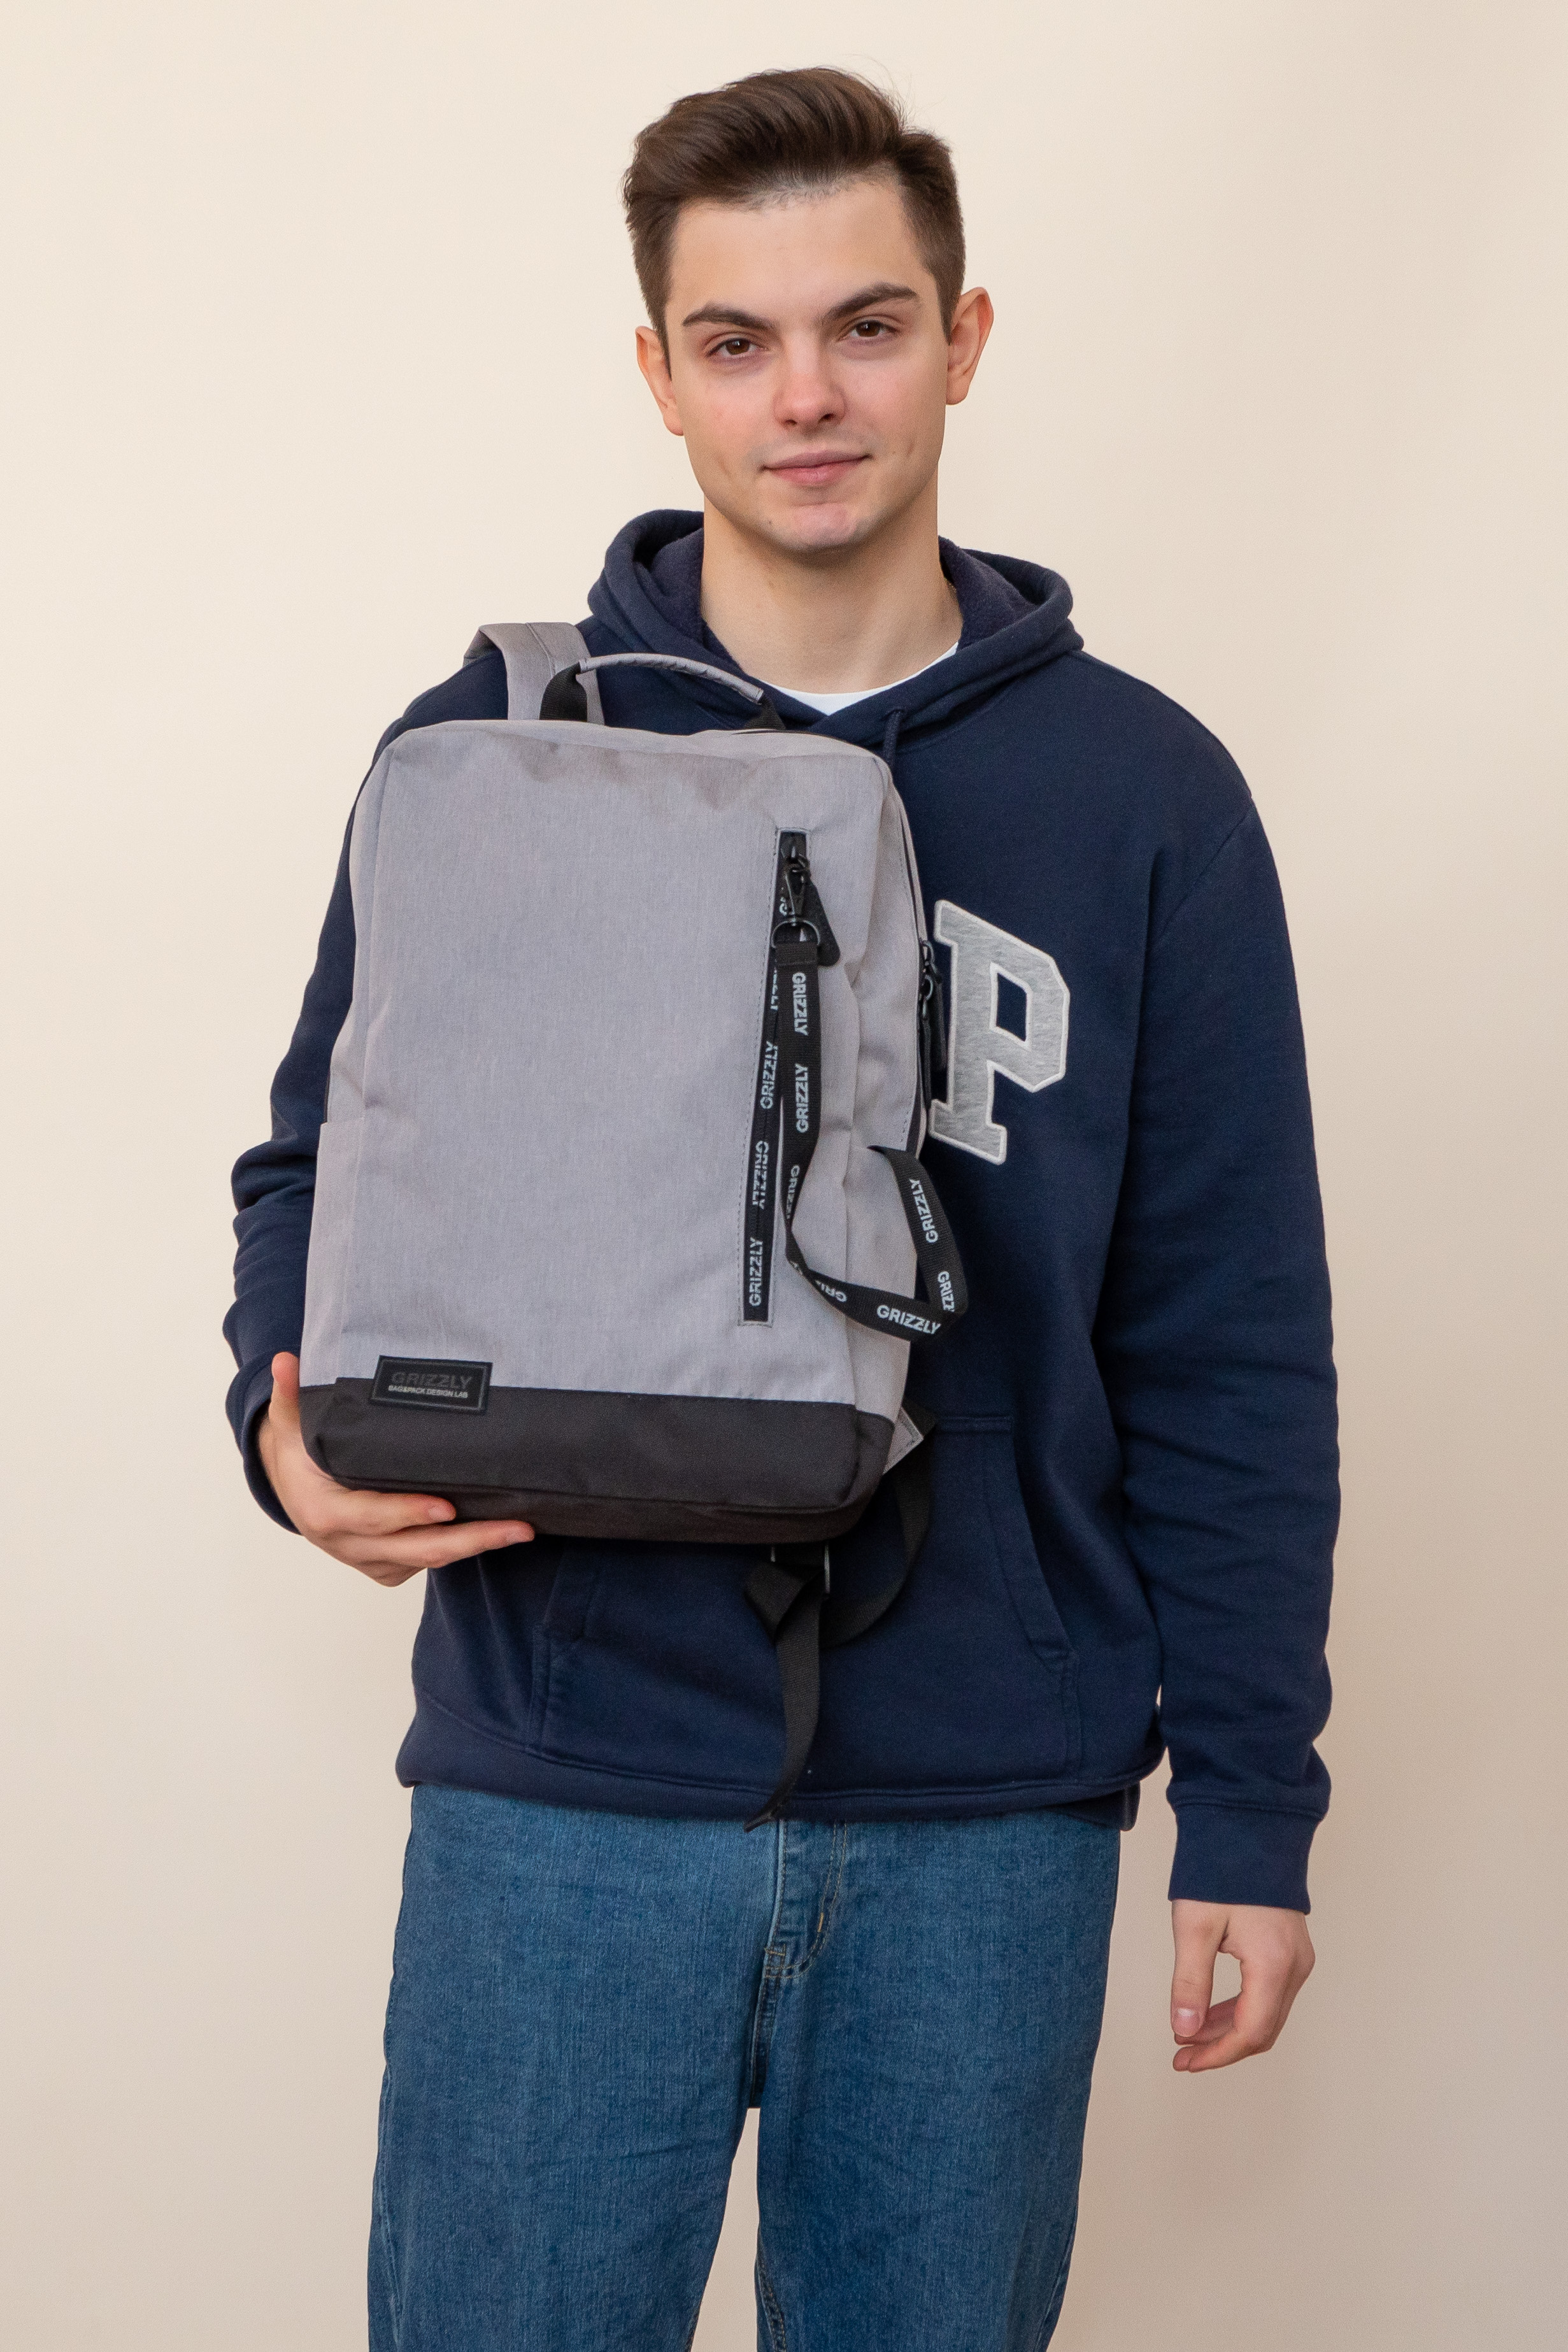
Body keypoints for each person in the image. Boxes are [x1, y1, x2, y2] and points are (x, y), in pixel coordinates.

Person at [225, 66, 1336, 2352]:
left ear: (966, 338)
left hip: (990, 1825)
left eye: (868, 326)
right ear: (659, 372)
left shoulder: (1146, 795)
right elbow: (319, 1157)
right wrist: (281, 1424)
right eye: (737, 341)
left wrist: (1249, 1804)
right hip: (561, 1791)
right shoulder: (498, 746)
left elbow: (1229, 1333)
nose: (806, 397)